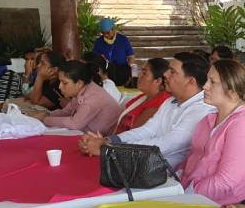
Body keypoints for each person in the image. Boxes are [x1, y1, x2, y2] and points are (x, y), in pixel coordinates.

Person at [79, 53, 215, 168]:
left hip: (172, 176)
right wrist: (111, 140)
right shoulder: (171, 101)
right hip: (147, 165)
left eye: (173, 72)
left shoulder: (202, 109)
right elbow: (148, 130)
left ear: (191, 81)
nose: (166, 74)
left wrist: (109, 148)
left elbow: (168, 143)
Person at [179, 59, 245, 203]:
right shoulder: (208, 120)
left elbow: (226, 182)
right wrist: (176, 180)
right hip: (193, 193)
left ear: (232, 92)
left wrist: (185, 195)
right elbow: (192, 159)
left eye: (212, 82)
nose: (205, 86)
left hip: (225, 204)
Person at [32, 60, 122, 135]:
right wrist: (47, 114)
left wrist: (45, 119)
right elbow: (66, 112)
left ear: (79, 83)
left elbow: (74, 124)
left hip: (110, 141)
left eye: (64, 83)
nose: (59, 87)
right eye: (60, 82)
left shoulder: (91, 99)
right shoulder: (84, 90)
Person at [114, 57, 171, 135]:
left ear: (158, 81)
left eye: (144, 73)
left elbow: (134, 134)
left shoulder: (159, 103)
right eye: (140, 71)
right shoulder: (144, 97)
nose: (139, 75)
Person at [92, 18, 134, 86]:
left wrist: (129, 71)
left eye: (108, 32)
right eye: (103, 33)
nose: (105, 35)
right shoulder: (98, 42)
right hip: (106, 72)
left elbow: (131, 57)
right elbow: (95, 58)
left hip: (122, 70)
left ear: (113, 29)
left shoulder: (123, 40)